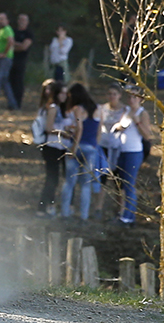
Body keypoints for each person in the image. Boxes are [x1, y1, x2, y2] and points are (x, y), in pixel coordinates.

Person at [111, 85, 152, 227]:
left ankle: (129, 218)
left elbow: (147, 135)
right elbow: (121, 125)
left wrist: (137, 122)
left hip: (134, 152)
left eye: (134, 97)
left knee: (129, 185)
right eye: (129, 97)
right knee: (121, 185)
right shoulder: (126, 110)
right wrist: (118, 127)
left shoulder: (142, 113)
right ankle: (122, 214)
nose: (131, 100)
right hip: (122, 151)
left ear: (140, 99)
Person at [60, 83, 101, 221]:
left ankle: (65, 213)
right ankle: (84, 215)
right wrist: (95, 146)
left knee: (69, 182)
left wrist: (73, 148)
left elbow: (79, 128)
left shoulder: (78, 109)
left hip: (77, 147)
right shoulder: (97, 109)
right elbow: (99, 131)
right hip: (91, 148)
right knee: (85, 185)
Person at [37, 81, 73, 217]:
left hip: (63, 147)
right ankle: (43, 207)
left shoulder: (64, 110)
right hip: (52, 146)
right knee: (52, 178)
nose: (64, 95)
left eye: (65, 93)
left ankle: (55, 206)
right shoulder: (52, 108)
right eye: (62, 92)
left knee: (63, 178)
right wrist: (62, 133)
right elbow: (49, 128)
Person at [92, 82, 126, 221]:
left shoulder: (125, 110)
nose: (112, 96)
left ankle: (120, 210)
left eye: (115, 94)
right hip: (103, 145)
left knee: (119, 180)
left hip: (119, 147)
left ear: (119, 95)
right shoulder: (101, 109)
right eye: (110, 94)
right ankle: (98, 208)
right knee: (102, 178)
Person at [0, 12, 18, 110]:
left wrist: (4, 53)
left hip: (3, 60)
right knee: (5, 82)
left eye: (2, 19)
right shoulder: (2, 30)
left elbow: (11, 41)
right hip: (2, 59)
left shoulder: (7, 29)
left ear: (7, 20)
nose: (0, 21)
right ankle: (13, 104)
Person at [9, 14, 34, 109]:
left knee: (18, 82)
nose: (22, 22)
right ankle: (11, 103)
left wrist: (13, 45)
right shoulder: (13, 31)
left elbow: (24, 47)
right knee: (10, 81)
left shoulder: (29, 33)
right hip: (10, 60)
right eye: (20, 19)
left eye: (24, 20)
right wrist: (17, 45)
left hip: (21, 62)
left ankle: (18, 104)